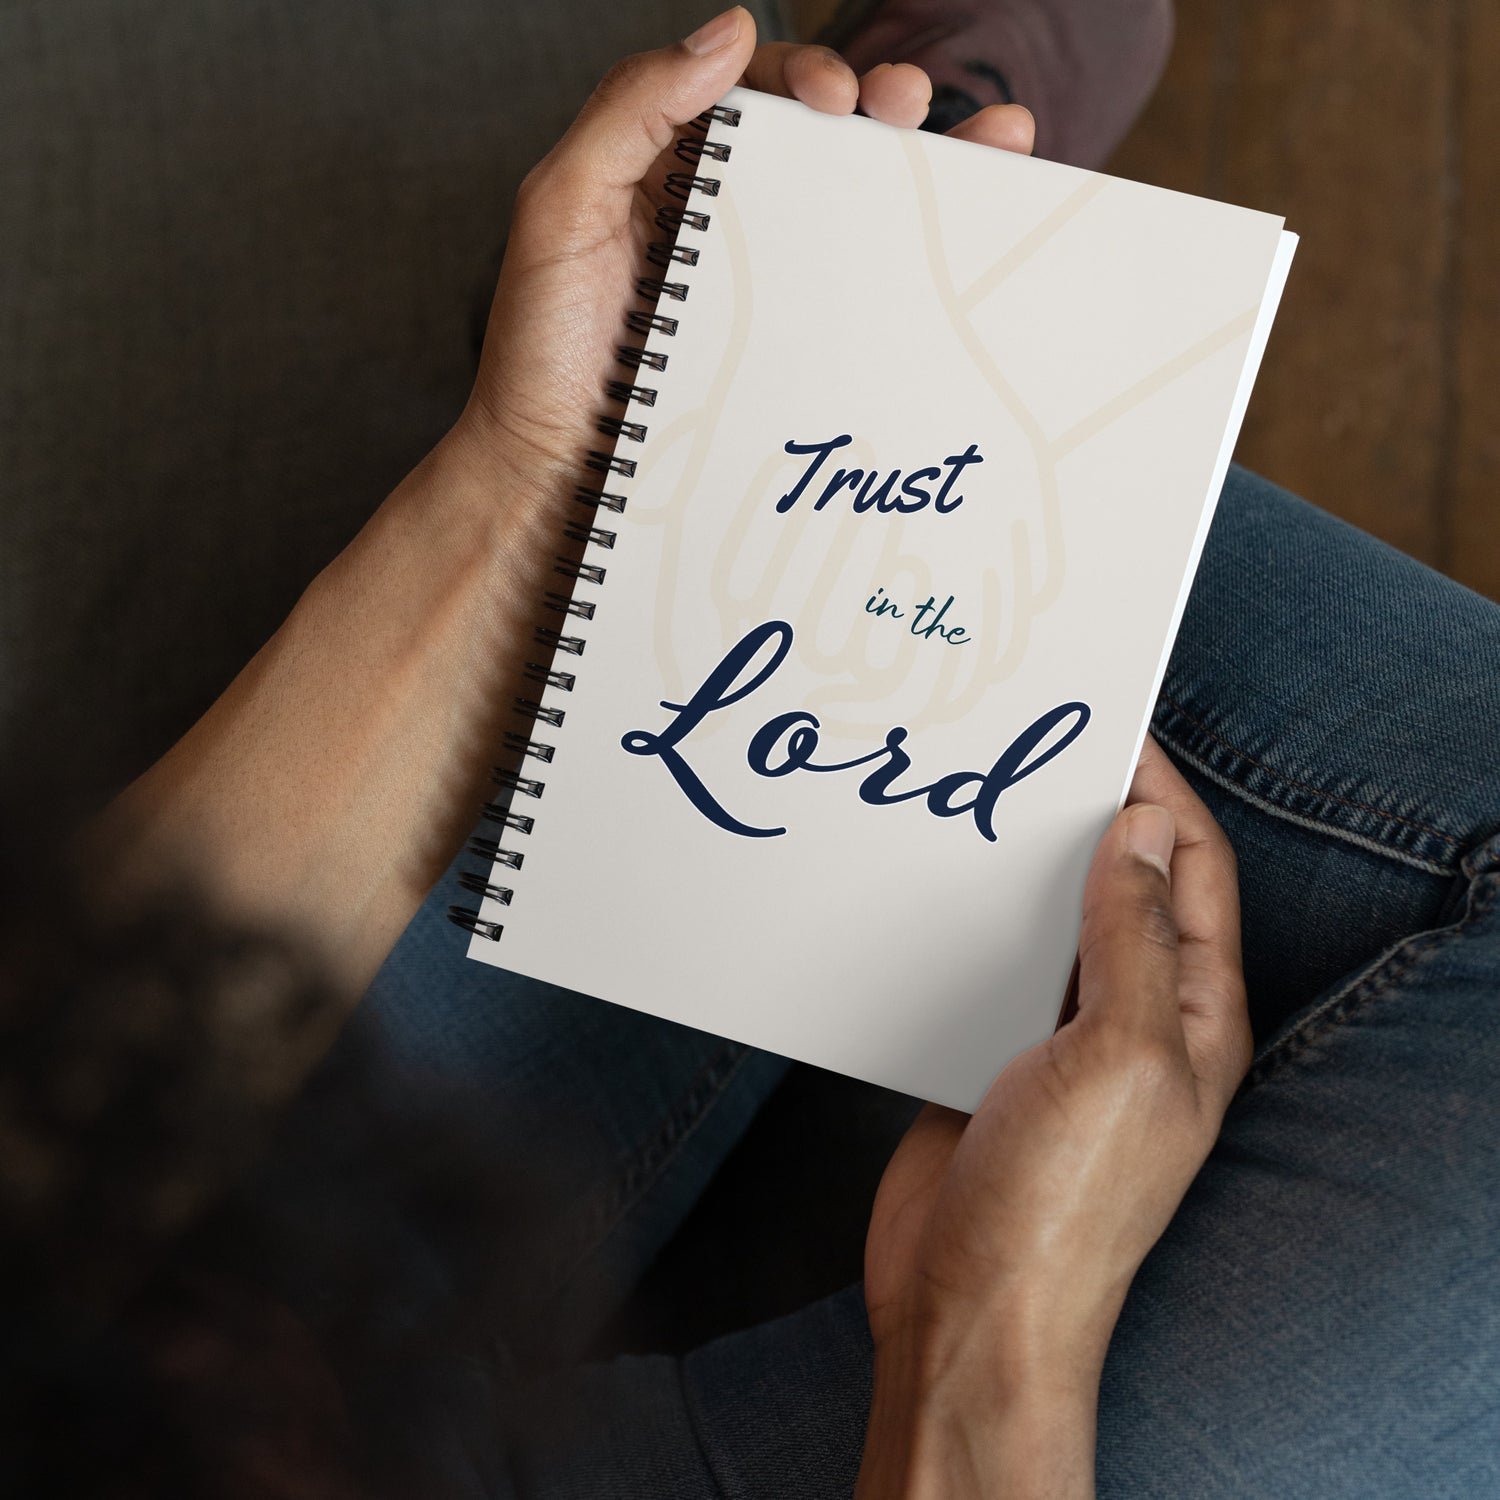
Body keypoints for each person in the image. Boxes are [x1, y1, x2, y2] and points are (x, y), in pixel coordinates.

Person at [5, 7, 1498, 1497]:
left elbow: (48, 1127)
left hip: (145, 1347)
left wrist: (521, 483)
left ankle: (788, 327)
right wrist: (982, 1347)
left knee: (695, 554)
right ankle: (879, 291)